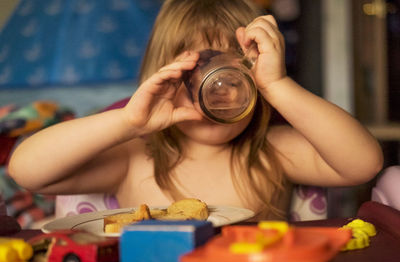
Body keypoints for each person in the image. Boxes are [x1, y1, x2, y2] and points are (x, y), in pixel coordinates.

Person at [8, 0, 383, 220]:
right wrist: (127, 121)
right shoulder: (136, 157)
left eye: (232, 73)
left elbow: (363, 164)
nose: (214, 89)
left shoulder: (268, 152)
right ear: (160, 78)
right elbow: (27, 171)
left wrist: (278, 86)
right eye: (188, 70)